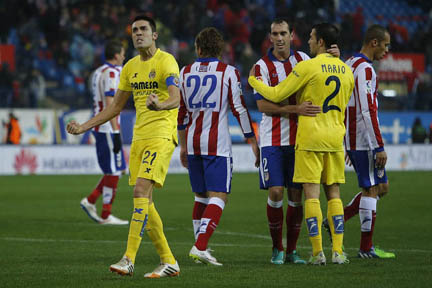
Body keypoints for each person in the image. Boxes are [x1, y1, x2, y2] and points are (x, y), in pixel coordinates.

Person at [67, 15, 180, 278]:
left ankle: (128, 259)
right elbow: (115, 107)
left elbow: (175, 97)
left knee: (140, 190)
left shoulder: (167, 61)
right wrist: (84, 126)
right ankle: (169, 260)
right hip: (139, 138)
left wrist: (160, 105)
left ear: (155, 35)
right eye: (135, 30)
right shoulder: (129, 67)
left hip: (162, 134)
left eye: (144, 29)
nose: (138, 33)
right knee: (146, 201)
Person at [249, 23, 354, 265]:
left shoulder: (306, 62)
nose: (308, 41)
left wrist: (253, 82)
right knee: (334, 193)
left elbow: (274, 94)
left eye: (311, 38)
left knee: (310, 196)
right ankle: (337, 251)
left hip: (308, 137)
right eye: (274, 33)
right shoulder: (346, 70)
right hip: (334, 136)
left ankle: (317, 252)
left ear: (319, 42)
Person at [177, 27, 259, 266]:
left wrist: (183, 146)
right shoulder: (229, 72)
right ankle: (200, 246)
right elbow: (239, 109)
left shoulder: (185, 72)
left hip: (192, 143)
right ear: (220, 50)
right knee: (219, 196)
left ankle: (199, 245)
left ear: (198, 48)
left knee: (201, 196)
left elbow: (181, 115)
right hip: (217, 145)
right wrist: (251, 140)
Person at [324, 24, 395, 259]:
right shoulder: (364, 69)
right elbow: (367, 111)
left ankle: (339, 218)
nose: (387, 51)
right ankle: (366, 248)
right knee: (371, 189)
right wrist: (378, 146)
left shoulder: (350, 63)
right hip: (363, 140)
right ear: (374, 42)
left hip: (354, 138)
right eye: (385, 45)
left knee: (380, 188)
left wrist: (346, 140)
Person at [79, 39, 129, 225]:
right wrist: (116, 132)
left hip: (102, 126)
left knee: (116, 169)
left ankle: (91, 200)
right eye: (123, 53)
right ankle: (106, 214)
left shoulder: (98, 71)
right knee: (115, 171)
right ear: (116, 55)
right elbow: (111, 105)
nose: (124, 56)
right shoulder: (112, 73)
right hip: (107, 127)